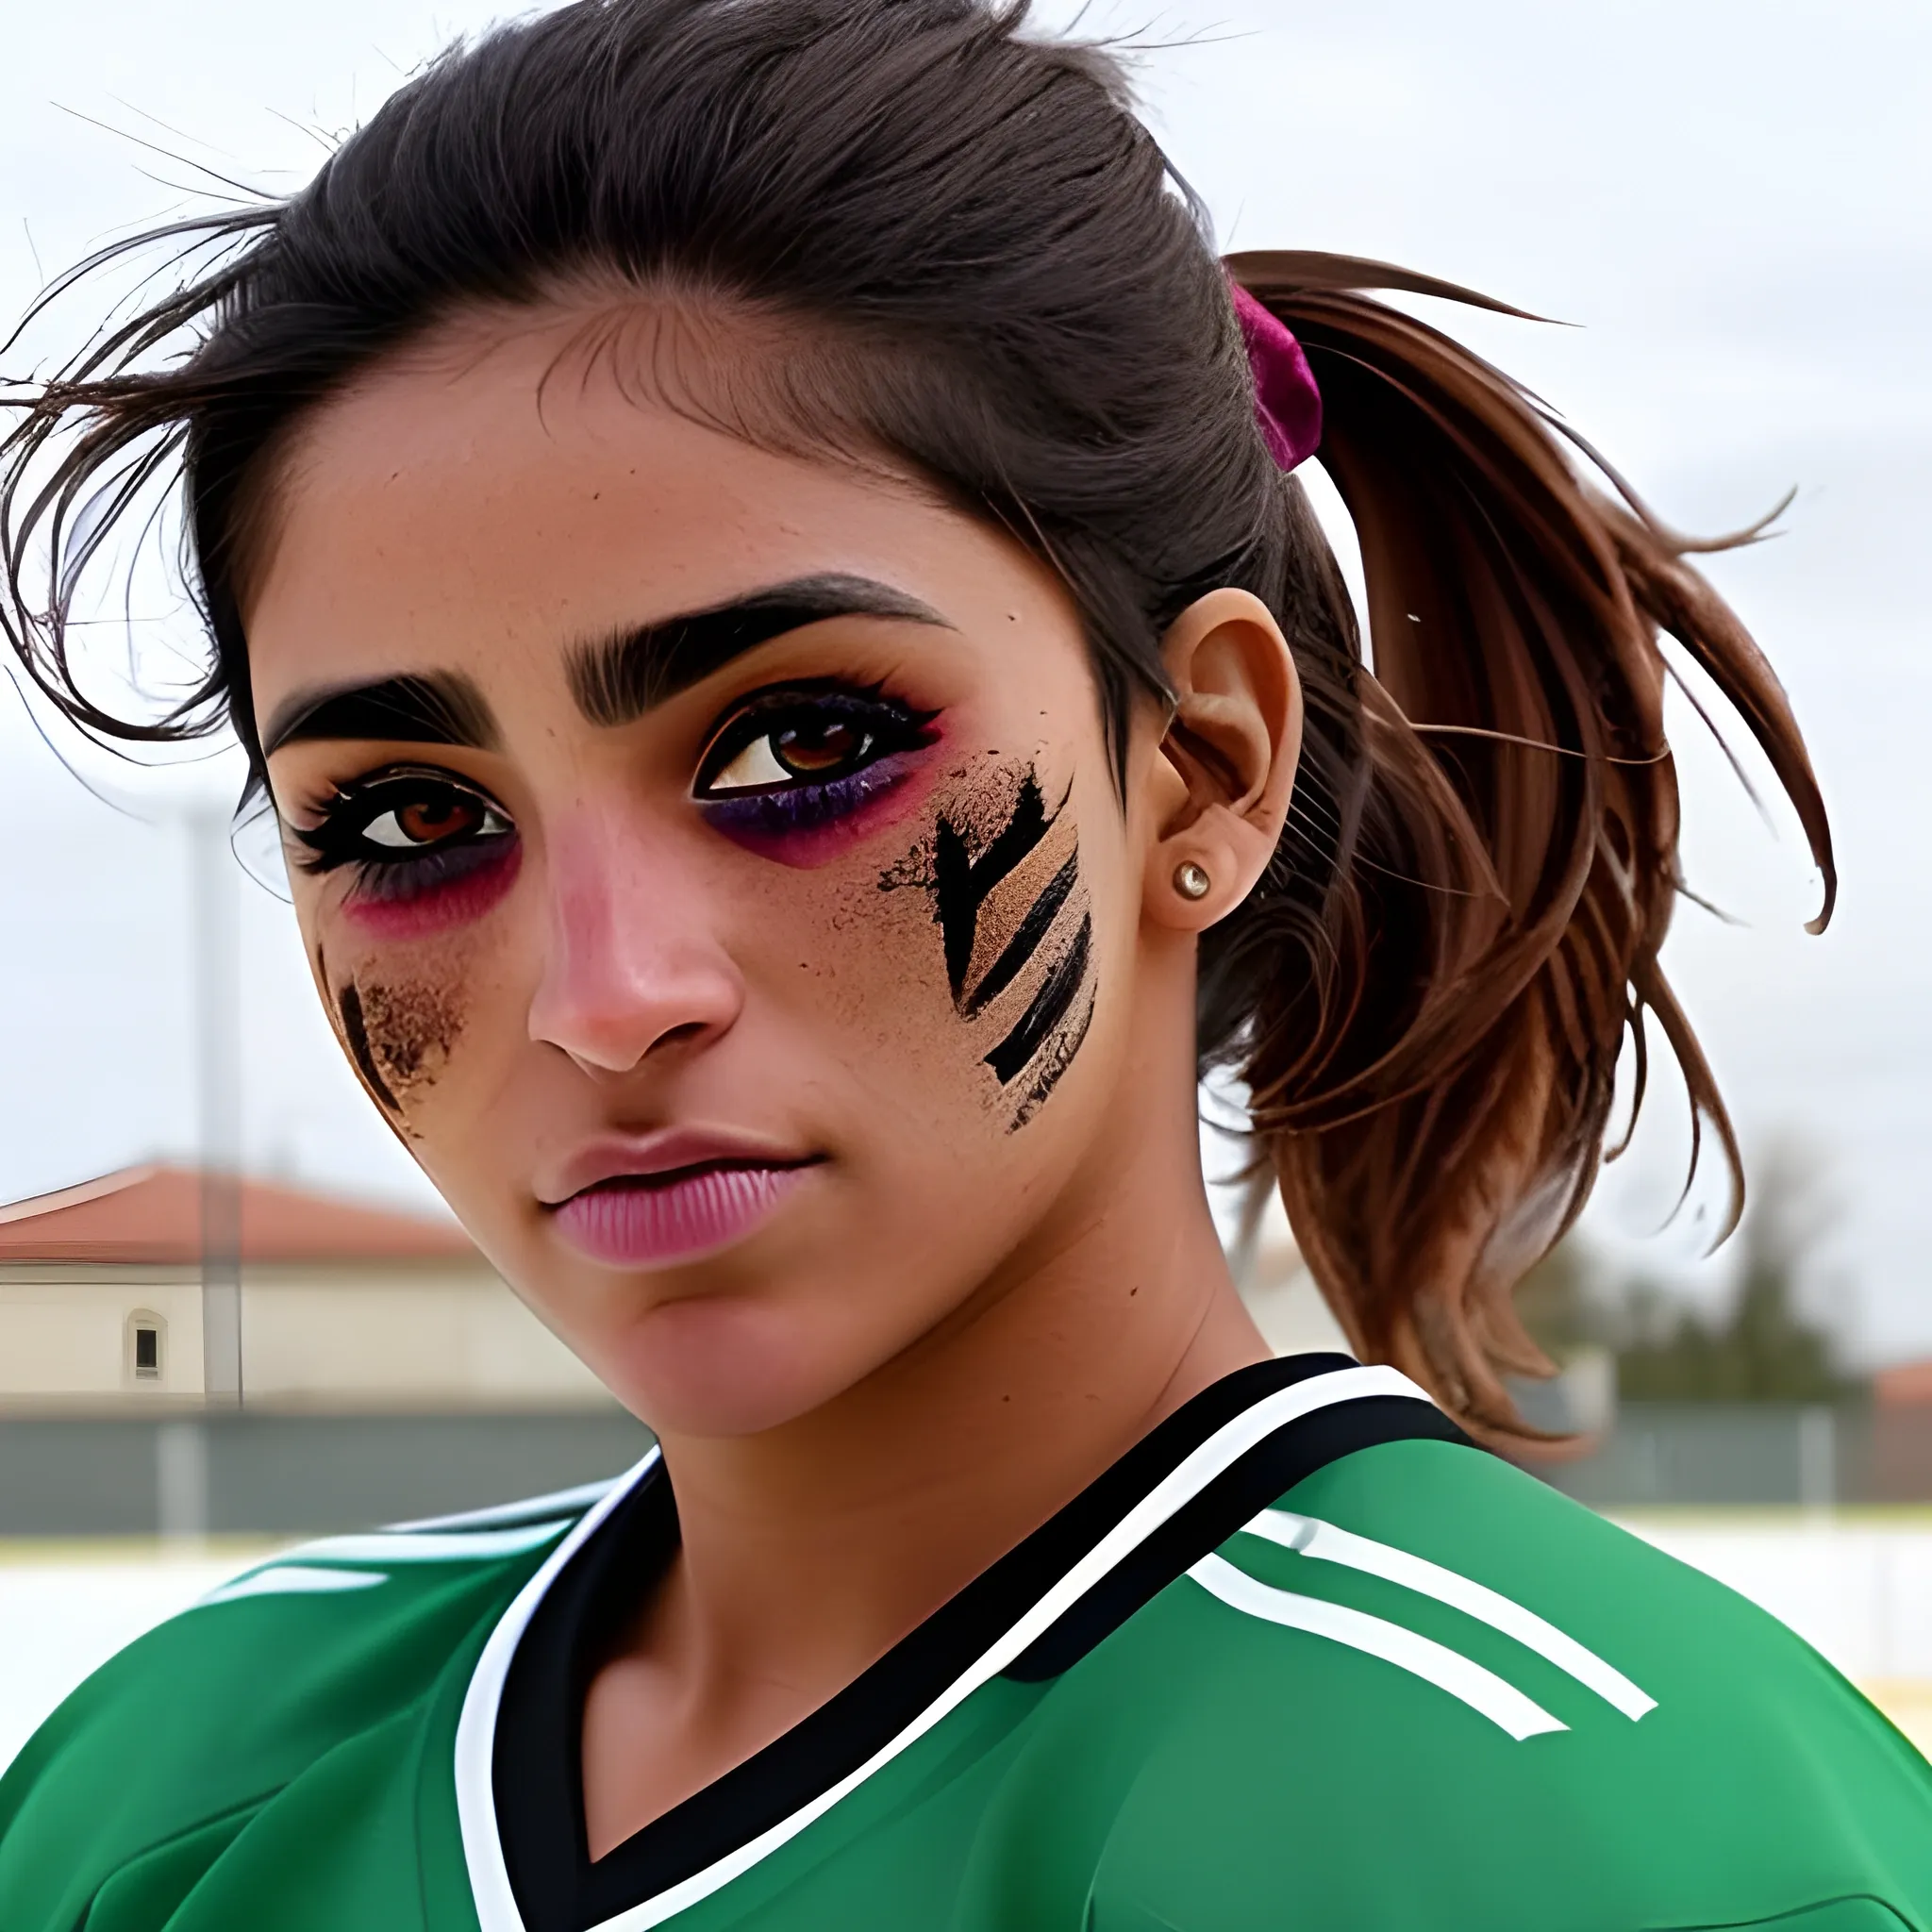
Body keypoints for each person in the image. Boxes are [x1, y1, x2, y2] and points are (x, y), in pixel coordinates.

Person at [2, 1, 1925, 1926]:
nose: (601, 992)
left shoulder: (1575, 1841)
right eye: (413, 819)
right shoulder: (173, 1778)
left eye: (800, 745)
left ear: (1202, 760)